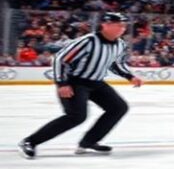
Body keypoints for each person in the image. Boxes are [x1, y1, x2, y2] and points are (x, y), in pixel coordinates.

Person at [18, 12, 143, 159]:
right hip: (75, 82)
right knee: (76, 116)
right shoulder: (88, 41)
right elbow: (60, 59)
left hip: (96, 82)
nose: (122, 28)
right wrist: (62, 83)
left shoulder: (120, 44)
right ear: (105, 25)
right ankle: (29, 142)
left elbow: (115, 63)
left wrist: (129, 76)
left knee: (118, 107)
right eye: (118, 25)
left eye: (124, 26)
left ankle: (89, 142)